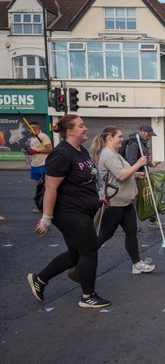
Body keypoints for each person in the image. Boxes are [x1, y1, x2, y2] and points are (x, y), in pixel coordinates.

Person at [27, 114, 111, 308]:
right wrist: (46, 217)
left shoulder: (80, 150)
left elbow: (83, 180)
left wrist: (96, 198)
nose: (86, 129)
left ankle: (39, 280)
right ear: (70, 131)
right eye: (81, 126)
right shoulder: (62, 153)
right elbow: (50, 187)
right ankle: (87, 296)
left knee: (76, 254)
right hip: (69, 212)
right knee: (89, 250)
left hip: (82, 208)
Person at [89, 126, 156, 275]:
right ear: (109, 138)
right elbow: (121, 176)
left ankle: (137, 264)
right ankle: (81, 260)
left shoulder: (114, 154)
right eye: (119, 136)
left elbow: (121, 174)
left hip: (124, 202)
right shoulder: (109, 155)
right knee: (104, 235)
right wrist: (138, 164)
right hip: (114, 203)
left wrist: (135, 174)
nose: (122, 139)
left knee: (131, 232)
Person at [124, 124, 162, 229]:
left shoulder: (142, 143)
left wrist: (150, 163)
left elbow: (142, 158)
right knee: (133, 201)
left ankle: (152, 220)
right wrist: (137, 174)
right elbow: (131, 162)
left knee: (148, 197)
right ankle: (128, 225)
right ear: (142, 131)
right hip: (137, 176)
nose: (149, 137)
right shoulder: (134, 144)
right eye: (149, 134)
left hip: (143, 175)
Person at [24, 121, 52, 213]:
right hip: (35, 165)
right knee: (38, 187)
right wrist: (28, 151)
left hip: (43, 164)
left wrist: (36, 151)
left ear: (35, 128)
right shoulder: (33, 139)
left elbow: (50, 150)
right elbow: (34, 151)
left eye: (29, 128)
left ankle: (46, 207)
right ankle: (40, 206)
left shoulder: (43, 136)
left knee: (45, 187)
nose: (28, 130)